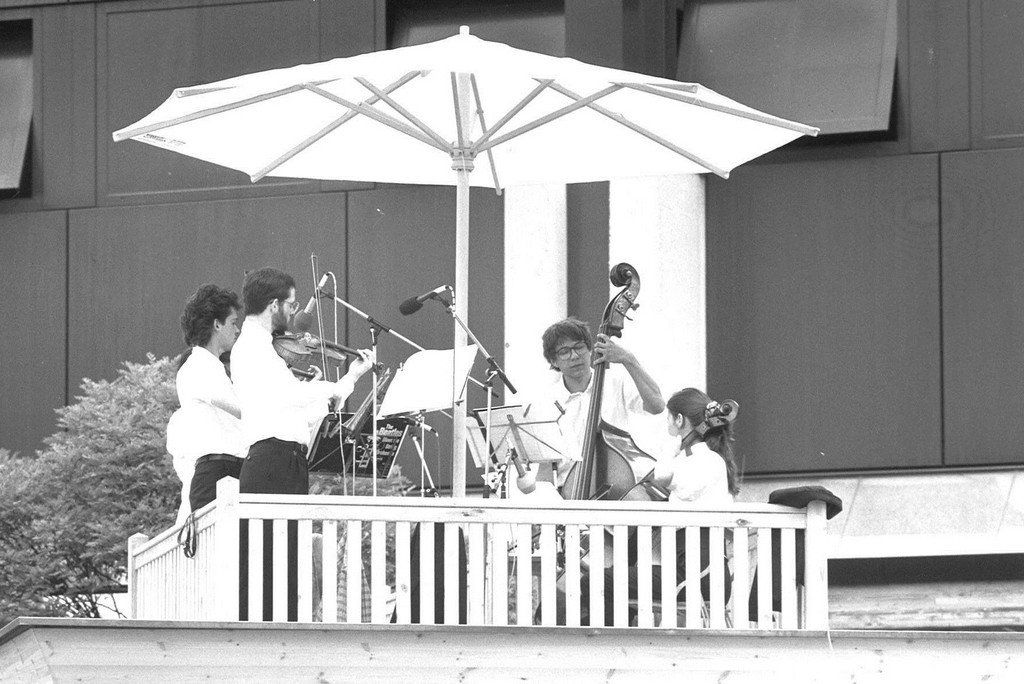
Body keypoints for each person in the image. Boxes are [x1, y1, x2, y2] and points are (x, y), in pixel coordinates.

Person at [230, 267, 374, 621]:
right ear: (273, 305)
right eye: (291, 304)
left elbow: (299, 414)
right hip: (271, 462)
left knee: (287, 563)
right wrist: (335, 388)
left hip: (285, 460)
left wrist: (350, 379)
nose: (294, 312)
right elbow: (289, 395)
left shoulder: (265, 348)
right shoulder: (252, 347)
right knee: (269, 566)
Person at [539, 317, 665, 491]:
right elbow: (545, 467)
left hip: (619, 485)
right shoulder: (547, 402)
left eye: (579, 347)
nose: (574, 356)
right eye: (564, 351)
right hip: (569, 490)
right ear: (554, 361)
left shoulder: (614, 381)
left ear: (590, 349)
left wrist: (628, 359)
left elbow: (657, 405)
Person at [650, 387, 740, 615]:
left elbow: (661, 476)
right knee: (611, 579)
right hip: (693, 574)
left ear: (680, 420)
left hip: (697, 578)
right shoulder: (699, 458)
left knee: (602, 581)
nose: (667, 423)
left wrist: (670, 449)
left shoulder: (705, 460)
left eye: (669, 418)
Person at [165, 284, 245, 524]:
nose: (237, 329)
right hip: (215, 472)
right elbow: (241, 409)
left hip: (229, 469)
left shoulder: (215, 368)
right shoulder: (197, 366)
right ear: (217, 324)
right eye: (233, 322)